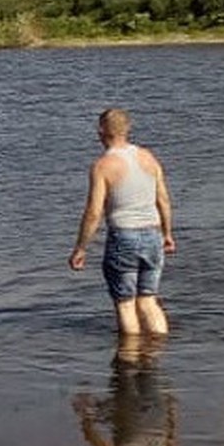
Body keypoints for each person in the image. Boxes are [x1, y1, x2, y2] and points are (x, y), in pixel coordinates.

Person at [69, 107, 175, 336]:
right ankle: (159, 352)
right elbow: (164, 200)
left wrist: (81, 248)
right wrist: (167, 234)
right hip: (153, 234)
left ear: (101, 132)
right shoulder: (148, 158)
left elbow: (94, 212)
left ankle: (130, 359)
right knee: (148, 300)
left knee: (126, 304)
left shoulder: (103, 166)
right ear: (127, 129)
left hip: (124, 237)